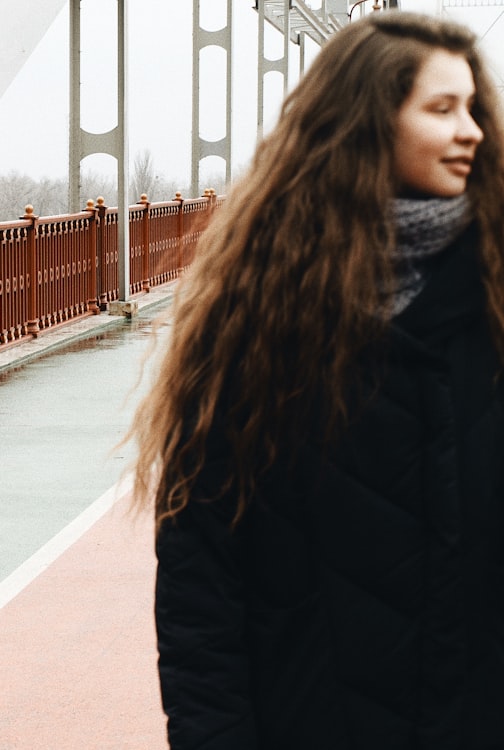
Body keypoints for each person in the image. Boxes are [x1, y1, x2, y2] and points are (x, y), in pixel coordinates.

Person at [128, 11, 504, 749]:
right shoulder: (256, 323)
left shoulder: (494, 303)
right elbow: (202, 586)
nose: (472, 132)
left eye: (473, 109)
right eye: (441, 109)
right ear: (365, 122)